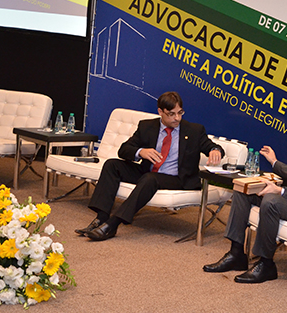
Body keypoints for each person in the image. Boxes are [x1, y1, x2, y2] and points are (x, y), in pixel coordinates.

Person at [203, 97, 287, 284]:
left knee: (271, 201)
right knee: (244, 190)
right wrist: (274, 162)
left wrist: (281, 192)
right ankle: (236, 254)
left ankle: (266, 264)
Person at [76, 91, 224, 241]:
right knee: (112, 165)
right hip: (148, 172)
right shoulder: (147, 126)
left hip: (177, 179)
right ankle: (101, 218)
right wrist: (141, 152)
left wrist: (215, 151)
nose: (177, 118)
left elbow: (211, 146)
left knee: (150, 178)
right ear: (160, 111)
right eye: (171, 114)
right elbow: (124, 150)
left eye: (180, 113)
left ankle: (112, 225)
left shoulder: (194, 130)